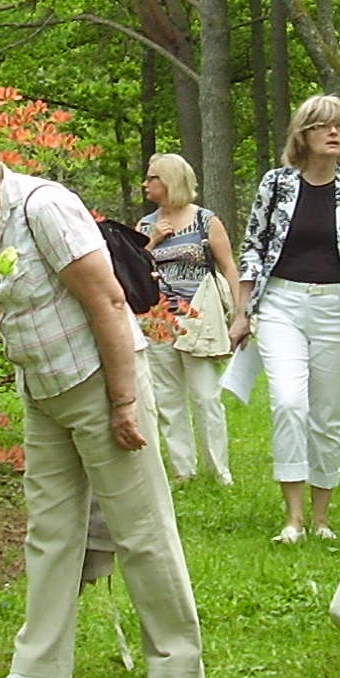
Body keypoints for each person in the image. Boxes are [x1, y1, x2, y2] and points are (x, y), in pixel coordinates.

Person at [0, 125, 205, 678]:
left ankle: (177, 667)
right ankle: (39, 668)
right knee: (49, 532)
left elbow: (108, 301)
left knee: (139, 526)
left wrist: (123, 402)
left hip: (99, 383)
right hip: (44, 392)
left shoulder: (45, 207)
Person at [233, 93, 340, 545]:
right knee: (289, 403)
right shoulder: (276, 184)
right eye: (323, 125)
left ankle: (321, 518)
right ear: (303, 134)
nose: (334, 132)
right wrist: (242, 311)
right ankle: (292, 518)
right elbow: (253, 247)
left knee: (327, 415)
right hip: (282, 303)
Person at [136, 152, 239, 485]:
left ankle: (219, 472)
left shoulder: (206, 221)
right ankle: (183, 471)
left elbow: (229, 267)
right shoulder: (144, 225)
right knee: (168, 399)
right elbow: (133, 270)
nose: (146, 183)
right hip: (157, 321)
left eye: (152, 177)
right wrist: (152, 241)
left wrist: (240, 313)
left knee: (206, 396)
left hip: (198, 319)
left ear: (170, 181)